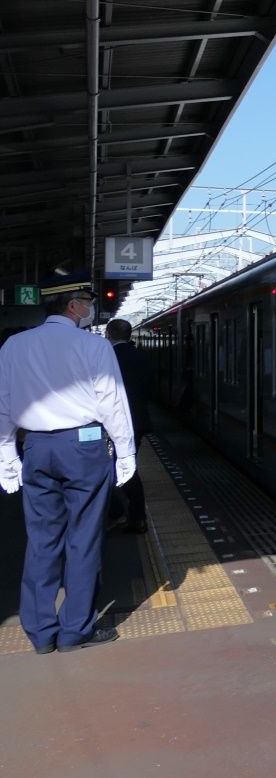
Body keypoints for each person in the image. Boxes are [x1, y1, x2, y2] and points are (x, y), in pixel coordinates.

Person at [0, 274, 135, 653]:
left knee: (42, 540)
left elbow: (3, 404)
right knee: (84, 538)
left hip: (38, 447)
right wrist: (126, 453)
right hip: (84, 447)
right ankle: (75, 629)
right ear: (73, 306)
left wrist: (6, 456)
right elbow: (113, 403)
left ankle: (41, 633)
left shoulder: (14, 346)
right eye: (87, 302)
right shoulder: (93, 347)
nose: (90, 309)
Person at [106, 318, 154, 534]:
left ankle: (133, 516)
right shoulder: (143, 357)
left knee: (122, 469)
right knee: (127, 464)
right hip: (138, 421)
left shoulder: (106, 357)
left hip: (113, 422)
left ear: (109, 333)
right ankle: (132, 515)